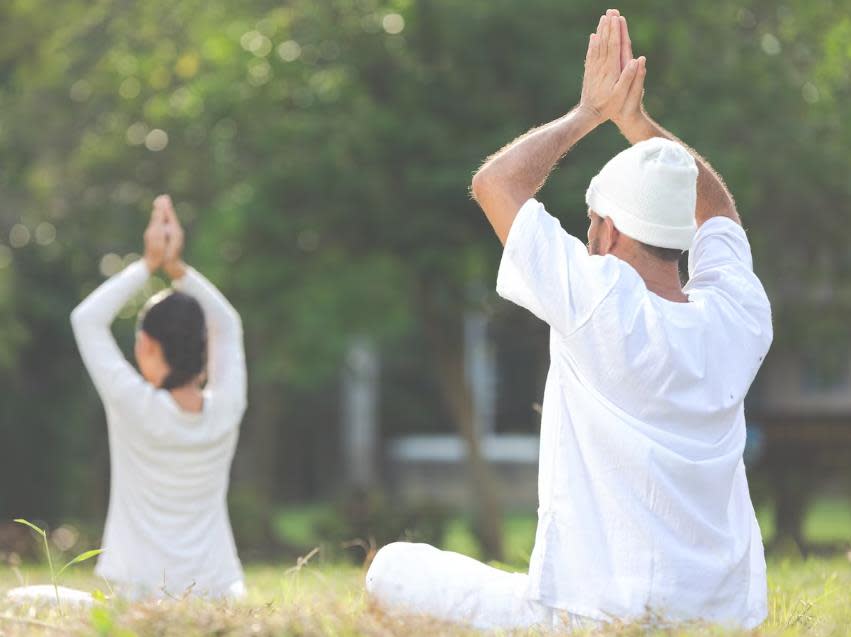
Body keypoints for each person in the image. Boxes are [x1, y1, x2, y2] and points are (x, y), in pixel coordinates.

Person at [366, 9, 772, 631]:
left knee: (391, 567)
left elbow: (495, 183)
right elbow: (718, 211)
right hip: (726, 619)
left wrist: (590, 113)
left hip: (598, 617)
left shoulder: (599, 298)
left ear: (606, 230)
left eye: (590, 227)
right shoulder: (739, 315)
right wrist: (638, 127)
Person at [68, 195, 247, 599]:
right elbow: (229, 325)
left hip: (139, 595)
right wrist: (177, 268)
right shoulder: (226, 408)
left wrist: (149, 263)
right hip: (219, 594)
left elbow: (87, 320)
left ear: (147, 345)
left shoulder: (135, 406)